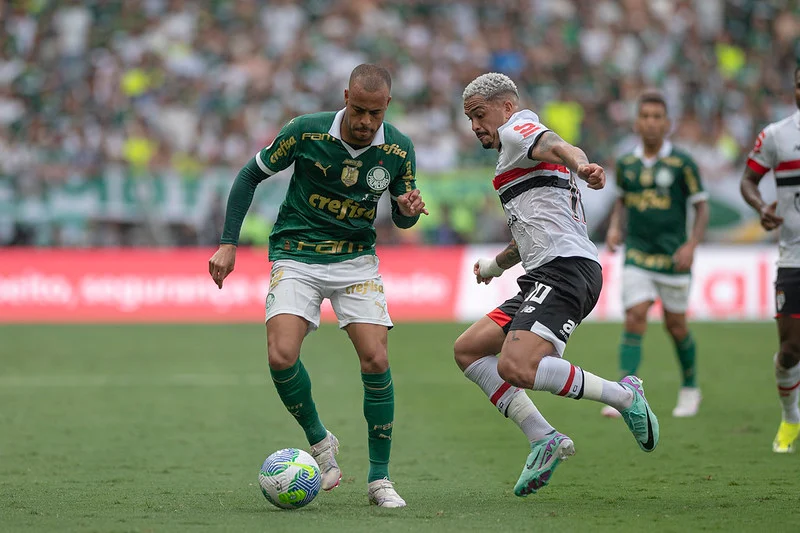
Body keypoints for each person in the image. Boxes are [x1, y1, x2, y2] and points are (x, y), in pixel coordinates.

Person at [208, 64, 428, 507]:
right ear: (345, 97)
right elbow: (249, 175)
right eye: (358, 109)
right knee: (281, 354)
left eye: (375, 113)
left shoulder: (399, 148)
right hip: (296, 252)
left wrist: (406, 209)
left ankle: (379, 480)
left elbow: (404, 218)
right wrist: (228, 243)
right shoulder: (306, 132)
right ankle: (320, 441)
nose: (366, 122)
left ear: (388, 105)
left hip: (355, 261)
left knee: (376, 358)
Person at [454, 72, 659, 497]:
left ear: (506, 107)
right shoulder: (512, 157)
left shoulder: (517, 128)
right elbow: (529, 232)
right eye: (469, 118)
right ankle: (542, 437)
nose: (475, 125)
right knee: (469, 350)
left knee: (516, 367)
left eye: (479, 114)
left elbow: (556, 143)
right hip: (542, 273)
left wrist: (580, 164)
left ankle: (624, 396)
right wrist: (494, 265)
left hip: (566, 270)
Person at [602, 91, 709, 419]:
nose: (650, 122)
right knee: (635, 317)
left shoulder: (682, 163)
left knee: (675, 325)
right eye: (645, 116)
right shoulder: (627, 163)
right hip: (637, 253)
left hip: (673, 256)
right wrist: (614, 228)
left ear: (667, 124)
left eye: (656, 117)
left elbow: (701, 206)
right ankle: (624, 393)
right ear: (636, 123)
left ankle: (690, 387)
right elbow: (622, 200)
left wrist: (691, 245)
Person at [740, 66, 800, 454]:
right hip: (793, 258)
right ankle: (791, 419)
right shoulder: (777, 135)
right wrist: (762, 206)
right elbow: (748, 180)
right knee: (791, 351)